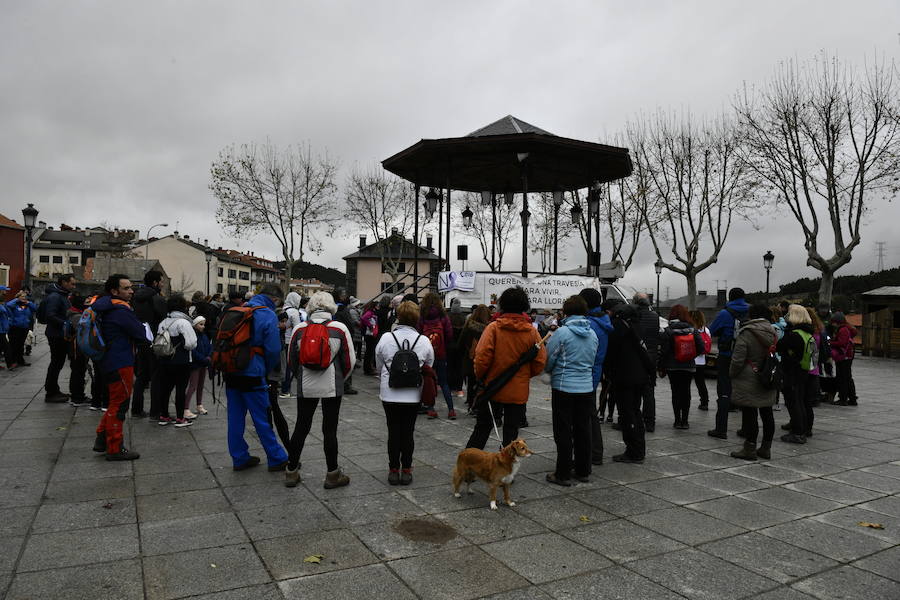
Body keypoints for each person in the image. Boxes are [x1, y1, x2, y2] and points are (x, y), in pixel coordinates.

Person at [284, 291, 355, 488]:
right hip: (332, 385)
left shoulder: (299, 329)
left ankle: (291, 471)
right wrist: (341, 379)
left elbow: (292, 360)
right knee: (329, 429)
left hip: (306, 385)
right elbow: (349, 361)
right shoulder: (339, 328)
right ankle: (332, 474)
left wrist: (301, 378)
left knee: (301, 426)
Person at [466, 287, 546, 449]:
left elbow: (481, 358)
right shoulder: (532, 332)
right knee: (511, 432)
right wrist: (523, 375)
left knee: (482, 428)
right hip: (518, 389)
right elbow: (540, 362)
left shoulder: (493, 328)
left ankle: (470, 463)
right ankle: (506, 466)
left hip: (492, 386)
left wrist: (482, 377)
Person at [223, 283, 289, 472]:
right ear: (275, 299)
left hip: (231, 370)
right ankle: (276, 457)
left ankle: (239, 457)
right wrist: (266, 370)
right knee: (261, 417)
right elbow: (273, 350)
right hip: (252, 373)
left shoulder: (239, 310)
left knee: (235, 418)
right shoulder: (267, 314)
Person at [375, 301, 434, 485]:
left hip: (390, 393)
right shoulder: (423, 340)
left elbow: (378, 363)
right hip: (413, 394)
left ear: (398, 316)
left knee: (393, 431)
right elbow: (429, 364)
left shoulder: (386, 338)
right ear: (417, 318)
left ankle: (393, 470)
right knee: (408, 432)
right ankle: (406, 469)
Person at [91, 274, 150, 460]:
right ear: (114, 291)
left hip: (108, 360)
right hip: (120, 360)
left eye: (131, 287)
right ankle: (115, 447)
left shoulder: (105, 305)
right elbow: (140, 333)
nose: (131, 291)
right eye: (126, 288)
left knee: (114, 402)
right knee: (120, 404)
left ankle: (102, 439)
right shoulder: (120, 310)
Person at [544, 295, 598, 486]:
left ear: (565, 312)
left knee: (563, 431)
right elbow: (593, 359)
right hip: (586, 387)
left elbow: (549, 358)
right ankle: (583, 470)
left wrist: (549, 371)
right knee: (583, 429)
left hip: (564, 386)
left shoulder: (562, 332)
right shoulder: (592, 334)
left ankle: (563, 473)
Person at [604, 303, 653, 463]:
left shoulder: (618, 327)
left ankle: (634, 451)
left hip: (624, 376)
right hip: (640, 376)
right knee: (635, 412)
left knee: (627, 414)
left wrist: (608, 371)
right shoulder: (637, 327)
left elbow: (611, 353)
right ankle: (639, 448)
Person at [729, 304, 778, 460]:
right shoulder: (773, 331)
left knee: (750, 413)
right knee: (767, 412)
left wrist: (732, 374)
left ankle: (749, 448)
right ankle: (766, 448)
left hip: (749, 376)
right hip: (767, 375)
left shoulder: (747, 332)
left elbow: (738, 359)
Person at [707, 287, 749, 439]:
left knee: (724, 392)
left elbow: (710, 331)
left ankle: (721, 429)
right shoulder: (751, 312)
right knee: (746, 392)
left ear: (730, 298)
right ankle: (746, 429)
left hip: (727, 356)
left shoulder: (725, 313)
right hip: (747, 358)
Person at [579, 288, 613, 465]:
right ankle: (595, 452)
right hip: (595, 369)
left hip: (586, 371)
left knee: (586, 414)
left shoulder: (589, 324)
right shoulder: (603, 320)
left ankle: (592, 453)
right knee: (590, 412)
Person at [155, 294, 198, 427]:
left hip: (164, 360)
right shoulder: (183, 322)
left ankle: (164, 415)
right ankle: (180, 418)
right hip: (181, 360)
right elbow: (191, 343)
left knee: (165, 389)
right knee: (180, 389)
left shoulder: (163, 322)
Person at [658, 305, 704, 429]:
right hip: (688, 366)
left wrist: (662, 365)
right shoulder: (693, 330)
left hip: (672, 366)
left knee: (676, 392)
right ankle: (685, 421)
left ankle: (677, 420)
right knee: (686, 391)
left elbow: (664, 351)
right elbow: (701, 348)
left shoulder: (668, 331)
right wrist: (690, 355)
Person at [776, 304, 815, 444]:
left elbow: (779, 346)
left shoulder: (794, 334)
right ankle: (802, 429)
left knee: (793, 402)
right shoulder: (807, 333)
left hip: (792, 371)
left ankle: (798, 432)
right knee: (800, 401)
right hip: (803, 371)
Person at [133, 270, 167, 419]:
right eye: (161, 281)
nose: (162, 284)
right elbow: (163, 317)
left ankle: (136, 409)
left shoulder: (136, 297)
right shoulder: (155, 297)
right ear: (155, 283)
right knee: (156, 377)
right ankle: (156, 411)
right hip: (154, 340)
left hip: (141, 339)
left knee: (141, 375)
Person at [38, 273, 76, 402]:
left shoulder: (62, 295)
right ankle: (51, 393)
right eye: (72, 283)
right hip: (56, 335)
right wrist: (66, 323)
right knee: (56, 363)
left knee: (57, 363)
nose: (74, 286)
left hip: (60, 334)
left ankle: (54, 390)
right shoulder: (56, 296)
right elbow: (50, 315)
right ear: (64, 282)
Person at [419, 292, 455, 419]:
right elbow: (449, 334)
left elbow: (418, 333)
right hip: (441, 352)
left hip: (427, 354)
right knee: (444, 382)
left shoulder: (422, 316)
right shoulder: (443, 316)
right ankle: (451, 410)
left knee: (429, 380)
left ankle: (431, 409)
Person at [632, 293, 661, 432]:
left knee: (634, 390)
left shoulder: (634, 316)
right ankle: (650, 422)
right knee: (649, 392)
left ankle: (634, 419)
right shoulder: (655, 316)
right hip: (651, 356)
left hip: (637, 356)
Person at [457, 304, 491, 412]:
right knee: (482, 383)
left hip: (470, 359)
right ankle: (479, 404)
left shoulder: (468, 326)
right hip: (484, 360)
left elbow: (460, 344)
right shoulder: (489, 329)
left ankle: (471, 404)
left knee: (471, 383)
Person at [65, 293, 92, 408]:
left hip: (76, 347)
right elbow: (83, 329)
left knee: (78, 371)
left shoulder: (74, 313)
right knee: (78, 372)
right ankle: (77, 397)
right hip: (76, 348)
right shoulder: (76, 316)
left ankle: (77, 395)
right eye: (86, 303)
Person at [332, 290, 359, 396]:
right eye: (344, 295)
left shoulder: (333, 308)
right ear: (340, 297)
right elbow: (350, 324)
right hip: (345, 338)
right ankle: (347, 385)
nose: (346, 297)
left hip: (335, 338)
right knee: (347, 361)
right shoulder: (342, 309)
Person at [185, 315, 212, 417]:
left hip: (203, 363)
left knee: (200, 385)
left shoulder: (204, 336)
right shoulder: (193, 335)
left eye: (204, 324)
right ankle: (186, 407)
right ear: (195, 325)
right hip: (196, 364)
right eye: (201, 324)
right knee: (193, 386)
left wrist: (209, 357)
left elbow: (209, 347)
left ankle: (199, 404)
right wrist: (204, 359)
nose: (203, 326)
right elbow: (193, 350)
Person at [279, 291, 305, 398]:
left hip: (282, 340)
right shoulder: (294, 312)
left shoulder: (283, 309)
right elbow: (298, 328)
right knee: (289, 367)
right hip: (290, 342)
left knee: (283, 365)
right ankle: (285, 390)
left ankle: (281, 387)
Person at [830, 311, 858, 406]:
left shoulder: (843, 330)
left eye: (833, 321)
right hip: (847, 356)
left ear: (837, 321)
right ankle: (852, 398)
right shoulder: (846, 328)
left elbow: (842, 343)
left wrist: (831, 343)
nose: (832, 324)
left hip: (843, 357)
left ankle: (843, 398)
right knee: (847, 378)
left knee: (842, 378)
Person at [6, 291, 36, 371]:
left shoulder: (27, 305)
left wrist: (28, 302)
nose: (24, 298)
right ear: (18, 297)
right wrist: (16, 300)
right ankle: (13, 361)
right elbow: (8, 305)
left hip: (24, 327)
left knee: (21, 344)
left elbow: (35, 308)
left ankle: (20, 360)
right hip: (15, 327)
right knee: (13, 345)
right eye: (22, 296)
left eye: (25, 296)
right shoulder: (14, 304)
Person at [690, 309, 711, 411]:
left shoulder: (690, 329)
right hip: (701, 361)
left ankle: (685, 401)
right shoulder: (706, 330)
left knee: (686, 383)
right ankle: (704, 402)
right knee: (701, 383)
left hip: (690, 359)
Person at [447, 298, 467, 399]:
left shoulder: (448, 317)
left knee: (450, 367)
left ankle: (450, 388)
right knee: (459, 368)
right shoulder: (463, 318)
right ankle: (459, 389)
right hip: (460, 347)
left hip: (449, 346)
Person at [360, 300, 379, 375]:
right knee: (369, 352)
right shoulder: (370, 312)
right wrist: (370, 326)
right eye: (377, 305)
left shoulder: (369, 312)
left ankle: (368, 368)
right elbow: (363, 318)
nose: (378, 307)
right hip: (369, 335)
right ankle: (368, 369)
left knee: (369, 352)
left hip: (369, 334)